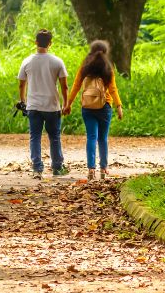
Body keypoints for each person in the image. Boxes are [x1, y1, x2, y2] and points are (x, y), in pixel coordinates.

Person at [63, 40, 124, 180]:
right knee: (103, 138)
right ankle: (103, 168)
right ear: (105, 52)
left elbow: (76, 86)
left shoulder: (85, 67)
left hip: (88, 106)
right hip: (105, 106)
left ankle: (91, 169)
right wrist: (119, 106)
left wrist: (68, 104)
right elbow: (113, 89)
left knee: (91, 136)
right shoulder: (108, 68)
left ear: (91, 51)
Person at [17, 29, 69, 180]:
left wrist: (23, 101)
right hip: (52, 106)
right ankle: (57, 168)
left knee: (35, 137)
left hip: (33, 106)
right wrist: (66, 104)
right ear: (50, 44)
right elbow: (64, 86)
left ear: (36, 42)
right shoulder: (57, 61)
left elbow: (21, 85)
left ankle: (37, 168)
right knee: (54, 137)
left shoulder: (27, 61)